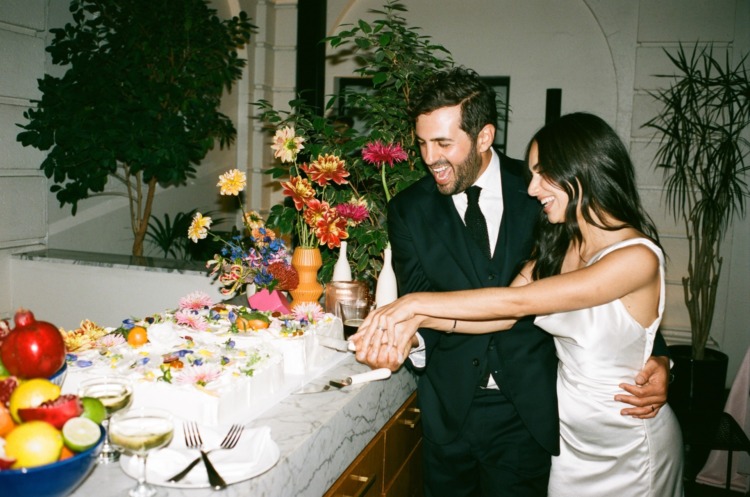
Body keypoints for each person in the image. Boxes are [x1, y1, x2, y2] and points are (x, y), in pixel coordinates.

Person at [351, 68, 671, 497]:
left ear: (484, 137)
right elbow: (502, 311)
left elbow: (551, 305)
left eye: (443, 143)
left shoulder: (550, 201)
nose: (429, 157)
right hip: (493, 421)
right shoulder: (415, 210)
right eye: (422, 143)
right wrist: (411, 320)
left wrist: (661, 357)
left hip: (554, 418)